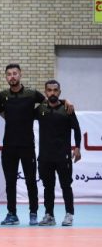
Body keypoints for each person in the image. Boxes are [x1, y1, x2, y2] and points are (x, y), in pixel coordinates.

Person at [0, 63, 45, 226]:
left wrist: (66, 101)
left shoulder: (32, 94)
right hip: (9, 146)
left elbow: (48, 102)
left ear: (20, 74)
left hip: (27, 145)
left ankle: (33, 213)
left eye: (15, 73)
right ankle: (12, 214)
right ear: (6, 77)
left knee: (31, 181)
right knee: (10, 182)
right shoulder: (2, 95)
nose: (12, 77)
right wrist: (10, 117)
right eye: (9, 74)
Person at [36, 80, 81, 227]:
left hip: (63, 156)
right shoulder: (40, 109)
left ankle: (69, 214)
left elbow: (77, 129)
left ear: (59, 92)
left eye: (55, 90)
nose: (52, 93)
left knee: (66, 186)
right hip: (45, 157)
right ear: (45, 92)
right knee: (48, 187)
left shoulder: (67, 109)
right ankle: (49, 215)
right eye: (49, 90)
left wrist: (77, 147)